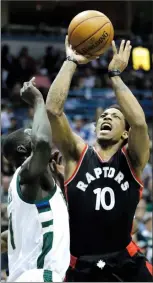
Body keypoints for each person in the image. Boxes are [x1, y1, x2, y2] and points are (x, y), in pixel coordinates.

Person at [46, 37, 152, 281]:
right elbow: (53, 110)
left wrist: (114, 75)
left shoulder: (133, 158)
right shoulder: (76, 155)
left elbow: (139, 122)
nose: (107, 117)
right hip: (81, 264)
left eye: (115, 116)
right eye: (104, 115)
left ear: (125, 133)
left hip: (126, 260)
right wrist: (71, 61)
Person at [2, 78, 70, 282]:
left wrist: (60, 181)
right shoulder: (26, 175)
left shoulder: (24, 187)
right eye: (32, 132)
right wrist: (38, 101)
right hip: (40, 276)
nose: (40, 131)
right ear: (23, 149)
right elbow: (42, 143)